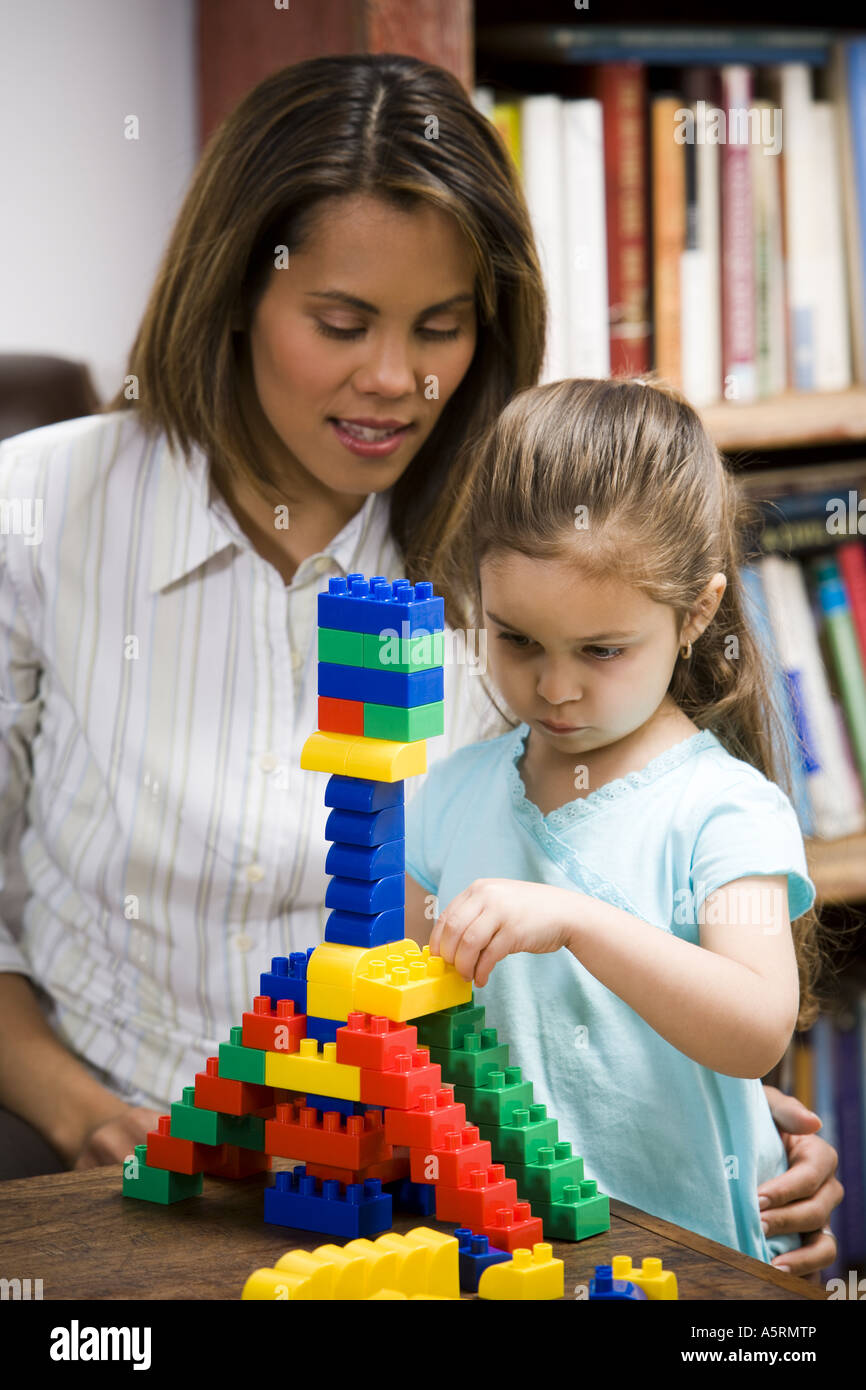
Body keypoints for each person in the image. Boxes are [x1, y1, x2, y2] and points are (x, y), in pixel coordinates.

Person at [0, 54, 840, 1278]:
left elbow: (608, 891)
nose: (394, 381)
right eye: (340, 323)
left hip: (423, 1185)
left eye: (440, 328)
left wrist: (714, 1124)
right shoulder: (38, 511)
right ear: (233, 294)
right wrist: (81, 1112)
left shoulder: (529, 556)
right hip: (106, 1150)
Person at [403, 375, 842, 1271]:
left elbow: (758, 1023)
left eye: (603, 651)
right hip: (487, 1248)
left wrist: (574, 920)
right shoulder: (449, 793)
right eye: (517, 638)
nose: (555, 688)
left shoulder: (726, 810)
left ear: (698, 613)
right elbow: (404, 1016)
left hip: (686, 1259)